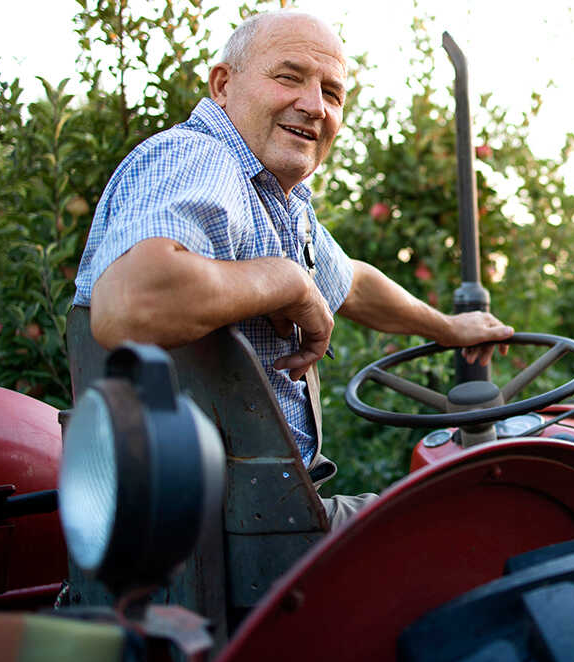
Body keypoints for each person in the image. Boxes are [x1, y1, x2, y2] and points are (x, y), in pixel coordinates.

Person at [72, 9, 513, 524]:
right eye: (288, 77)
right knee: (493, 516)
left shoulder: (274, 200)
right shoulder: (200, 158)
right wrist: (286, 282)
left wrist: (448, 328)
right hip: (234, 534)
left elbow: (351, 283)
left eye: (332, 93)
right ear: (223, 84)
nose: (314, 107)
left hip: (249, 520)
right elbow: (130, 304)